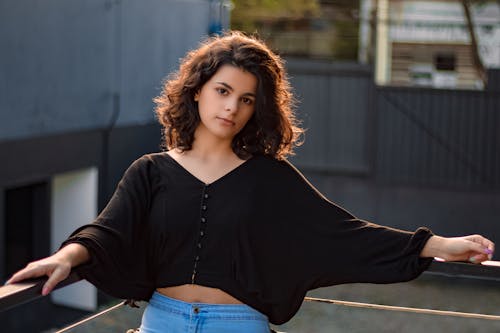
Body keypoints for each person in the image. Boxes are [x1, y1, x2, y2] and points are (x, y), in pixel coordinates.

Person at [6, 31, 495, 333]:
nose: (231, 108)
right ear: (196, 92)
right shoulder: (150, 171)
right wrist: (63, 258)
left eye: (245, 99)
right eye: (222, 91)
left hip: (237, 327)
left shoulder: (268, 178)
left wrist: (436, 245)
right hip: (161, 324)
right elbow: (105, 232)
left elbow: (341, 233)